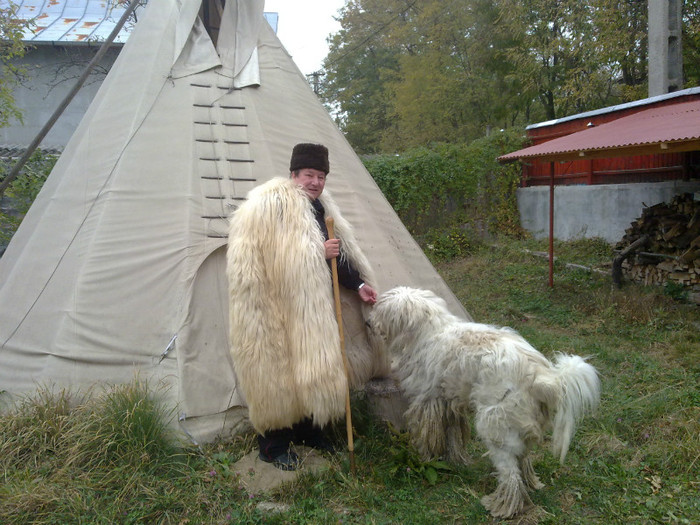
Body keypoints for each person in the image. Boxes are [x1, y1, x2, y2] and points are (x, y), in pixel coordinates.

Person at [226, 143, 380, 470]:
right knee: (277, 376)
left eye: (321, 176)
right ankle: (273, 445)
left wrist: (360, 285)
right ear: (293, 174)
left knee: (311, 371)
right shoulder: (268, 207)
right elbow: (260, 263)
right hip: (272, 308)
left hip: (309, 309)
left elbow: (334, 258)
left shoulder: (320, 208)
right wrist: (316, 254)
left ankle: (309, 431)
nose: (315, 182)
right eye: (309, 175)